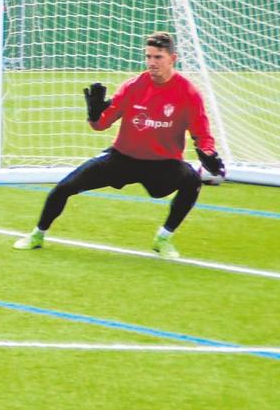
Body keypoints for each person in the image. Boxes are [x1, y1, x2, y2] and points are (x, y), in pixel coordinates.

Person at [13, 31, 226, 260]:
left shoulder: (188, 93)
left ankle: (163, 238)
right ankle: (37, 234)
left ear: (172, 58)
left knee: (192, 181)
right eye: (148, 57)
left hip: (163, 164)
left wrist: (207, 152)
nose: (152, 63)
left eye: (158, 57)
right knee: (64, 187)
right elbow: (101, 124)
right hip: (123, 158)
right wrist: (94, 114)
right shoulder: (133, 86)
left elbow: (202, 134)